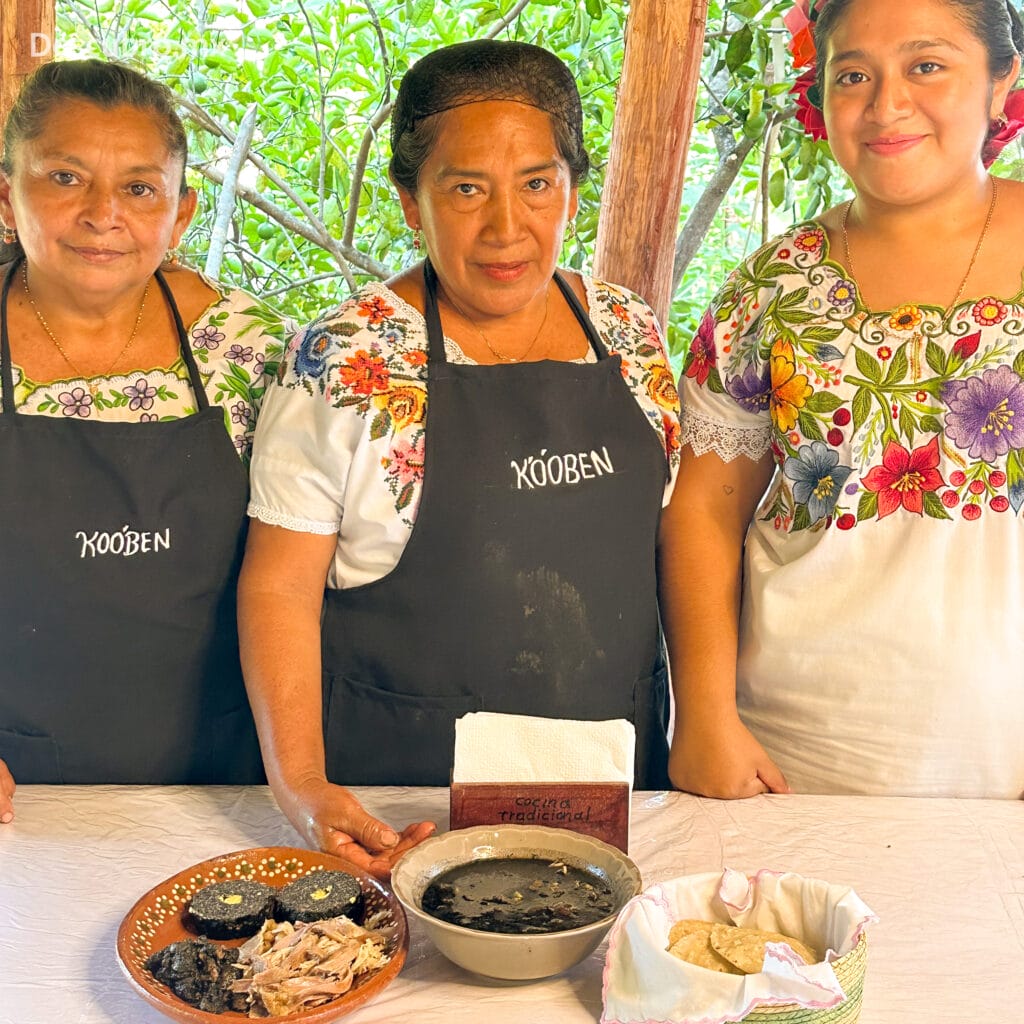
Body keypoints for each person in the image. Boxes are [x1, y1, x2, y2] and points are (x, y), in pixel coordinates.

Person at [239, 39, 684, 875]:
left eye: (537, 185)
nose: (506, 228)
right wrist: (301, 783)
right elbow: (277, 585)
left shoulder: (627, 331)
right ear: (412, 201)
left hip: (611, 795)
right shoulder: (343, 358)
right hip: (407, 810)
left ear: (573, 192)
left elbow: (673, 545)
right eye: (467, 187)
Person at [666, 0, 1024, 799]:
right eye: (853, 75)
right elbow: (702, 514)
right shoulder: (769, 288)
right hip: (796, 754)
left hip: (1005, 752)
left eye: (926, 65)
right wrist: (703, 716)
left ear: (1005, 82)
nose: (887, 104)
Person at [0, 60, 289, 822]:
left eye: (138, 187)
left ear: (181, 213)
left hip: (222, 779)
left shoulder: (245, 345)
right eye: (64, 178)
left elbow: (299, 564)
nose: (103, 214)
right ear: (7, 195)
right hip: (17, 787)